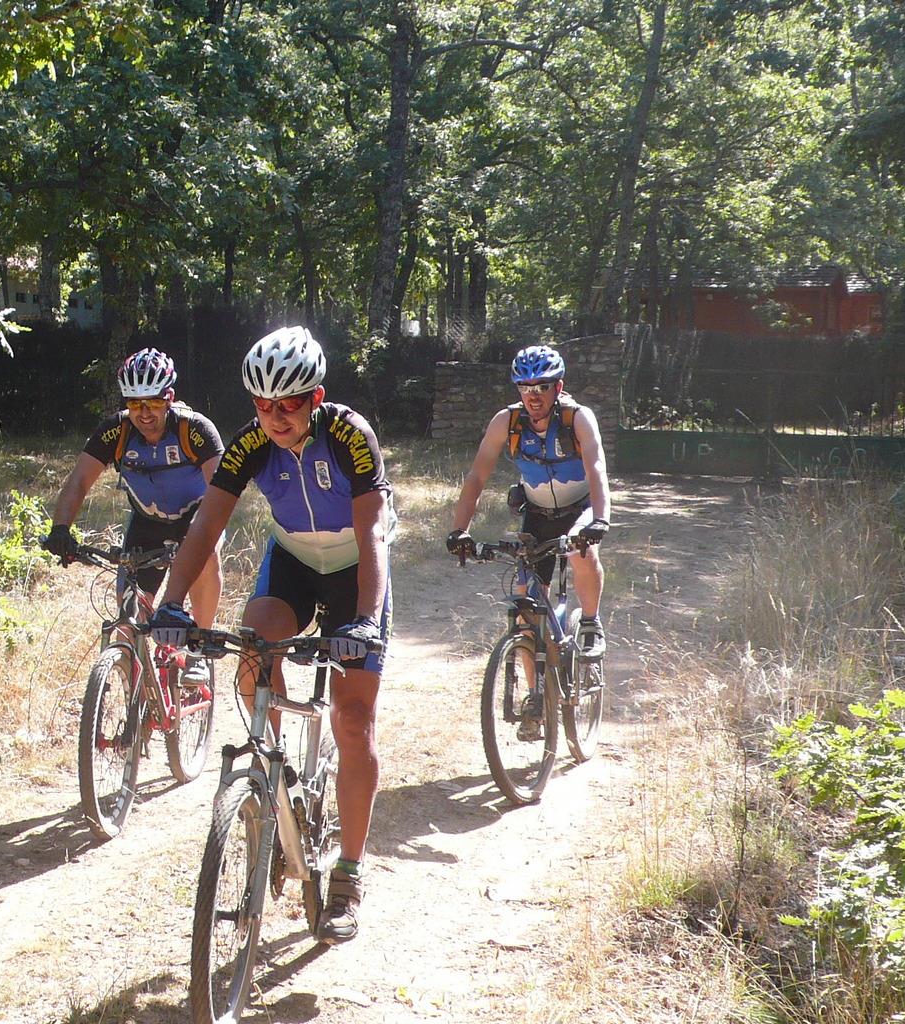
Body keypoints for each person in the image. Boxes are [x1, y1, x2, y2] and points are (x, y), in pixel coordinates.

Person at [150, 325, 393, 945]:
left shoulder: (350, 435)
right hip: (293, 563)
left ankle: (348, 876)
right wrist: (170, 604)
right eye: (263, 405)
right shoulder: (250, 443)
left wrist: (365, 620)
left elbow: (371, 532)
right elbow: (206, 526)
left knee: (353, 717)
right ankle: (272, 775)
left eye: (288, 404)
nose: (275, 417)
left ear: (316, 398)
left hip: (355, 569)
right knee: (253, 649)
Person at [445, 344, 611, 664]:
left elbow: (596, 469)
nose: (533, 396)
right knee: (525, 612)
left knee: (582, 551)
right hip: (537, 513)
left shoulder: (578, 418)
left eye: (542, 387)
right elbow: (477, 476)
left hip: (581, 507)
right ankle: (536, 693)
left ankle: (591, 622)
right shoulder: (506, 422)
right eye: (525, 387)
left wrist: (600, 520)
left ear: (558, 388)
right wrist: (459, 530)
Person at [42, 348, 224, 637]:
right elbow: (79, 481)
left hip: (196, 519)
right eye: (135, 403)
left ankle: (200, 645)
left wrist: (200, 536)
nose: (145, 413)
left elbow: (221, 489)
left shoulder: (194, 429)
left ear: (169, 398)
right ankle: (130, 661)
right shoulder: (116, 431)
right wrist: (60, 529)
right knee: (128, 626)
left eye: (153, 402)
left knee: (206, 553)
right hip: (147, 524)